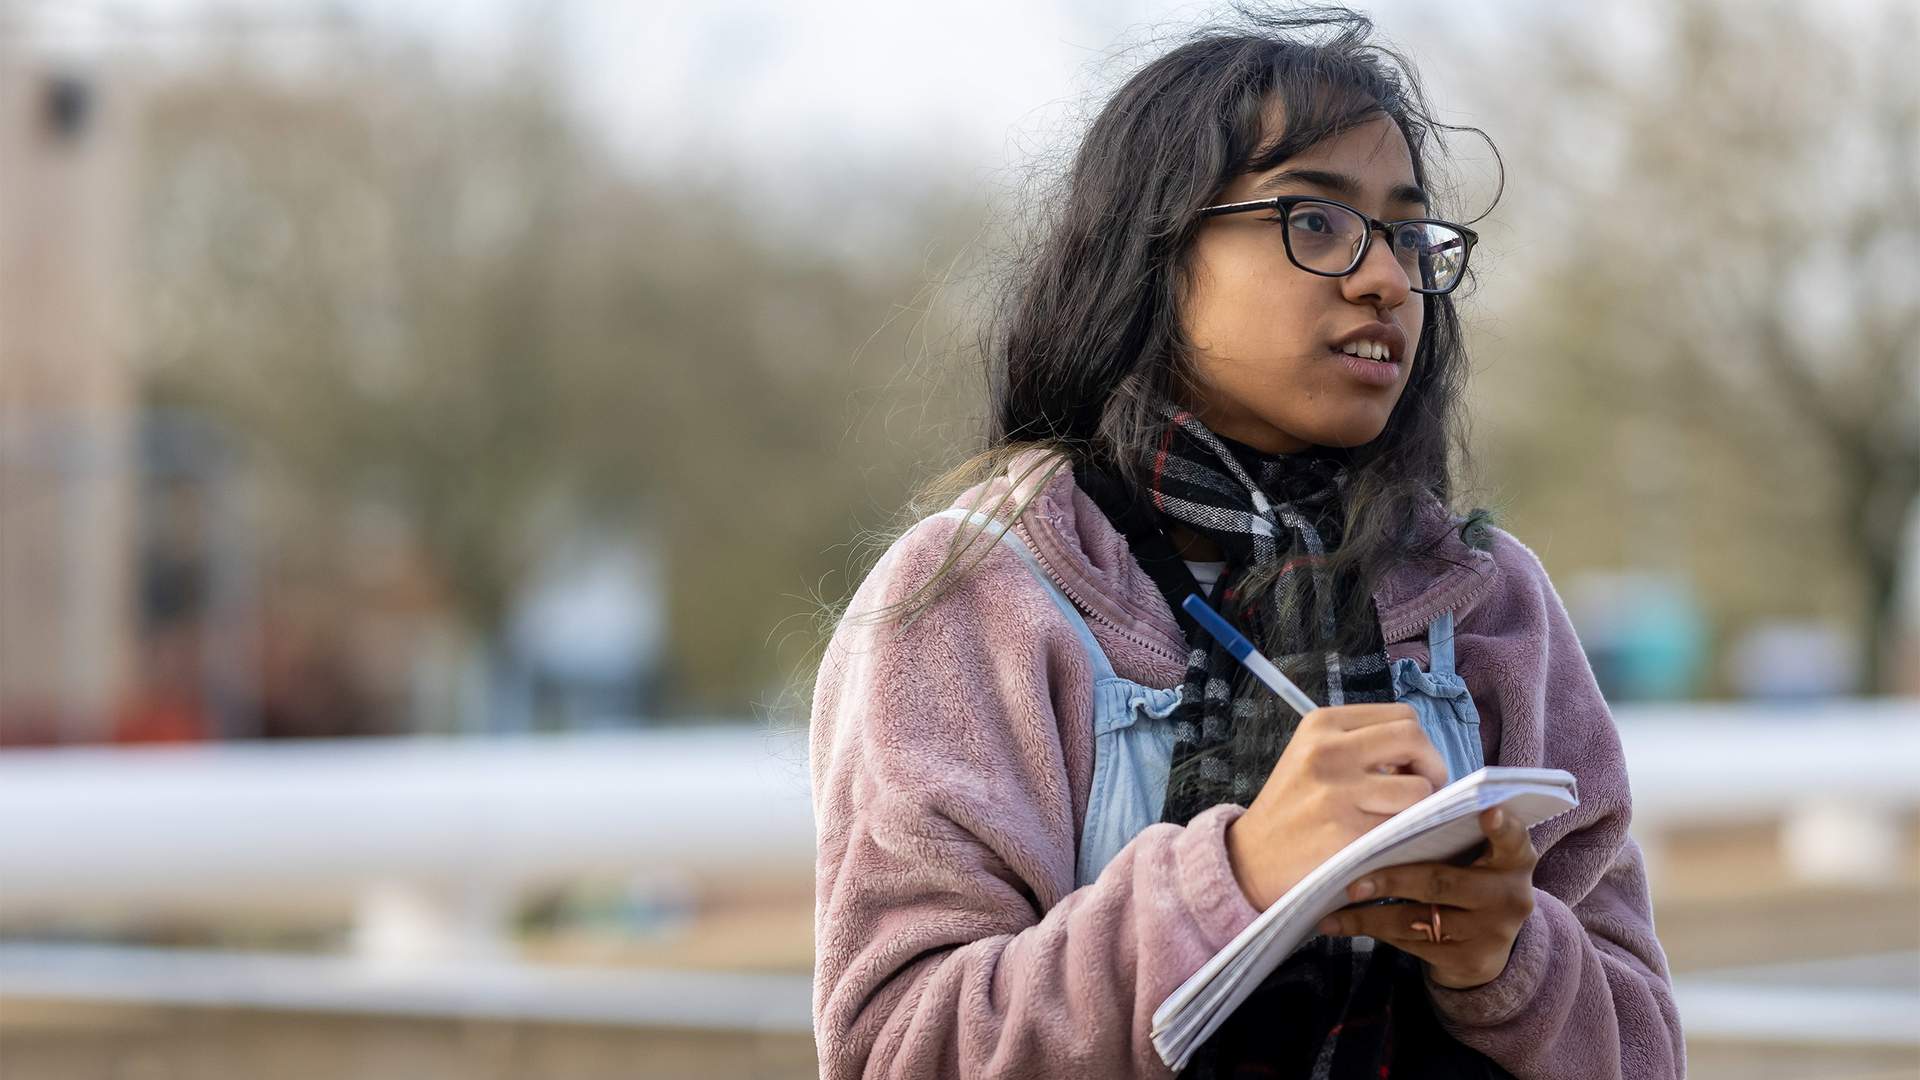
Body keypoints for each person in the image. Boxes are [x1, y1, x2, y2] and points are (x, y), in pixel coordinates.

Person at [807, 7, 1684, 1078]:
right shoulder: (983, 595)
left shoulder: (1488, 600)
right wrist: (1237, 875)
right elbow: (898, 1049)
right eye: (1315, 220)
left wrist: (1509, 958)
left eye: (1409, 237)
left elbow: (1645, 1049)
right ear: (1156, 248)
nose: (1385, 280)